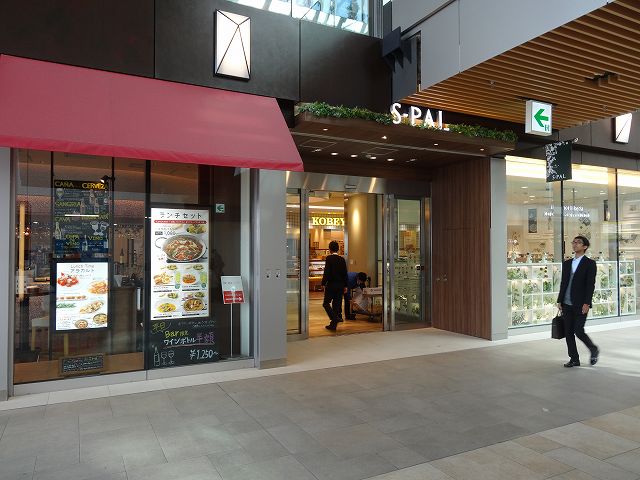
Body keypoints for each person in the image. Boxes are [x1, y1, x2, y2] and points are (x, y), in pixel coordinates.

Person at [556, 235, 599, 368]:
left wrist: (587, 303)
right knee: (568, 332)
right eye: (573, 242)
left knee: (578, 330)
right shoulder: (567, 263)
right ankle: (574, 359)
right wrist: (560, 300)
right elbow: (563, 283)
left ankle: (593, 349)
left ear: (585, 246)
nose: (575, 244)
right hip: (566, 303)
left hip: (581, 304)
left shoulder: (590, 264)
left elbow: (590, 285)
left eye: (578, 242)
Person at [321, 241, 348, 331]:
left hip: (331, 284)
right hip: (340, 285)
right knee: (336, 305)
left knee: (326, 303)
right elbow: (345, 273)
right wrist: (346, 286)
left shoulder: (329, 258)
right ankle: (333, 325)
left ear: (330, 249)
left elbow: (327, 272)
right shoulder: (342, 259)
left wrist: (323, 283)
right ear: (338, 249)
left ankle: (334, 318)